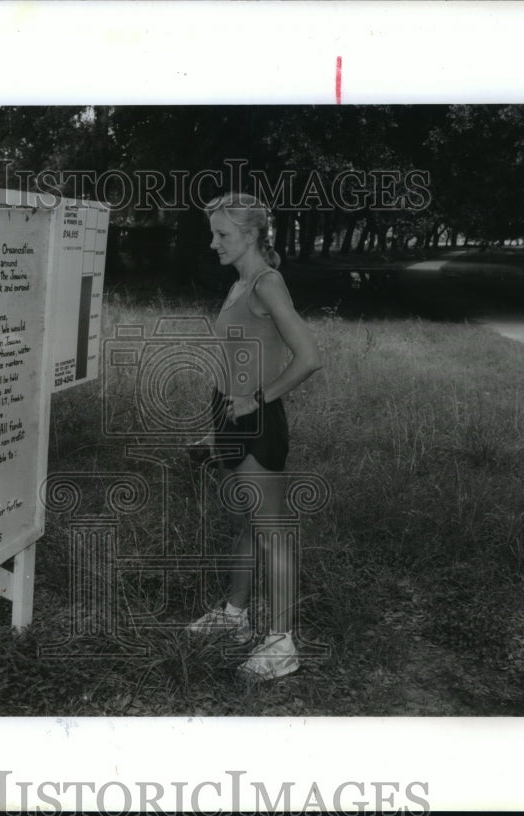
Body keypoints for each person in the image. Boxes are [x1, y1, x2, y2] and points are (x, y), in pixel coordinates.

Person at [187, 193, 322, 679]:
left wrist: (256, 401)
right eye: (213, 233)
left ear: (250, 235)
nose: (213, 242)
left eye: (222, 234)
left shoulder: (268, 283)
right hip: (226, 415)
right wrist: (217, 422)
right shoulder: (239, 283)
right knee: (245, 523)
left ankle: (282, 643)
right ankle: (235, 618)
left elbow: (309, 356)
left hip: (258, 422)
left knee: (272, 532)